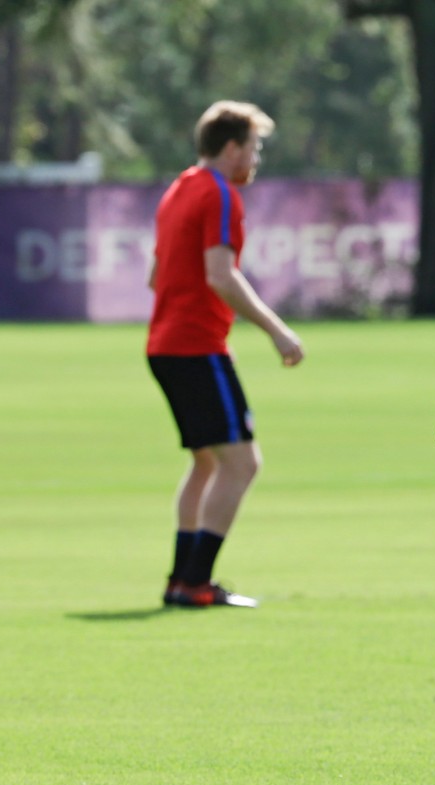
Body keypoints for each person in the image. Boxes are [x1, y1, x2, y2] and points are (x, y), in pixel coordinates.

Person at [147, 100, 304, 608]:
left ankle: (180, 580)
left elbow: (155, 275)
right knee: (241, 463)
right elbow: (220, 275)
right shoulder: (218, 193)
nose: (255, 159)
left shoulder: (179, 188)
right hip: (195, 346)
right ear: (232, 148)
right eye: (253, 148)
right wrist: (276, 330)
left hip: (164, 344)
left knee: (206, 464)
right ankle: (195, 582)